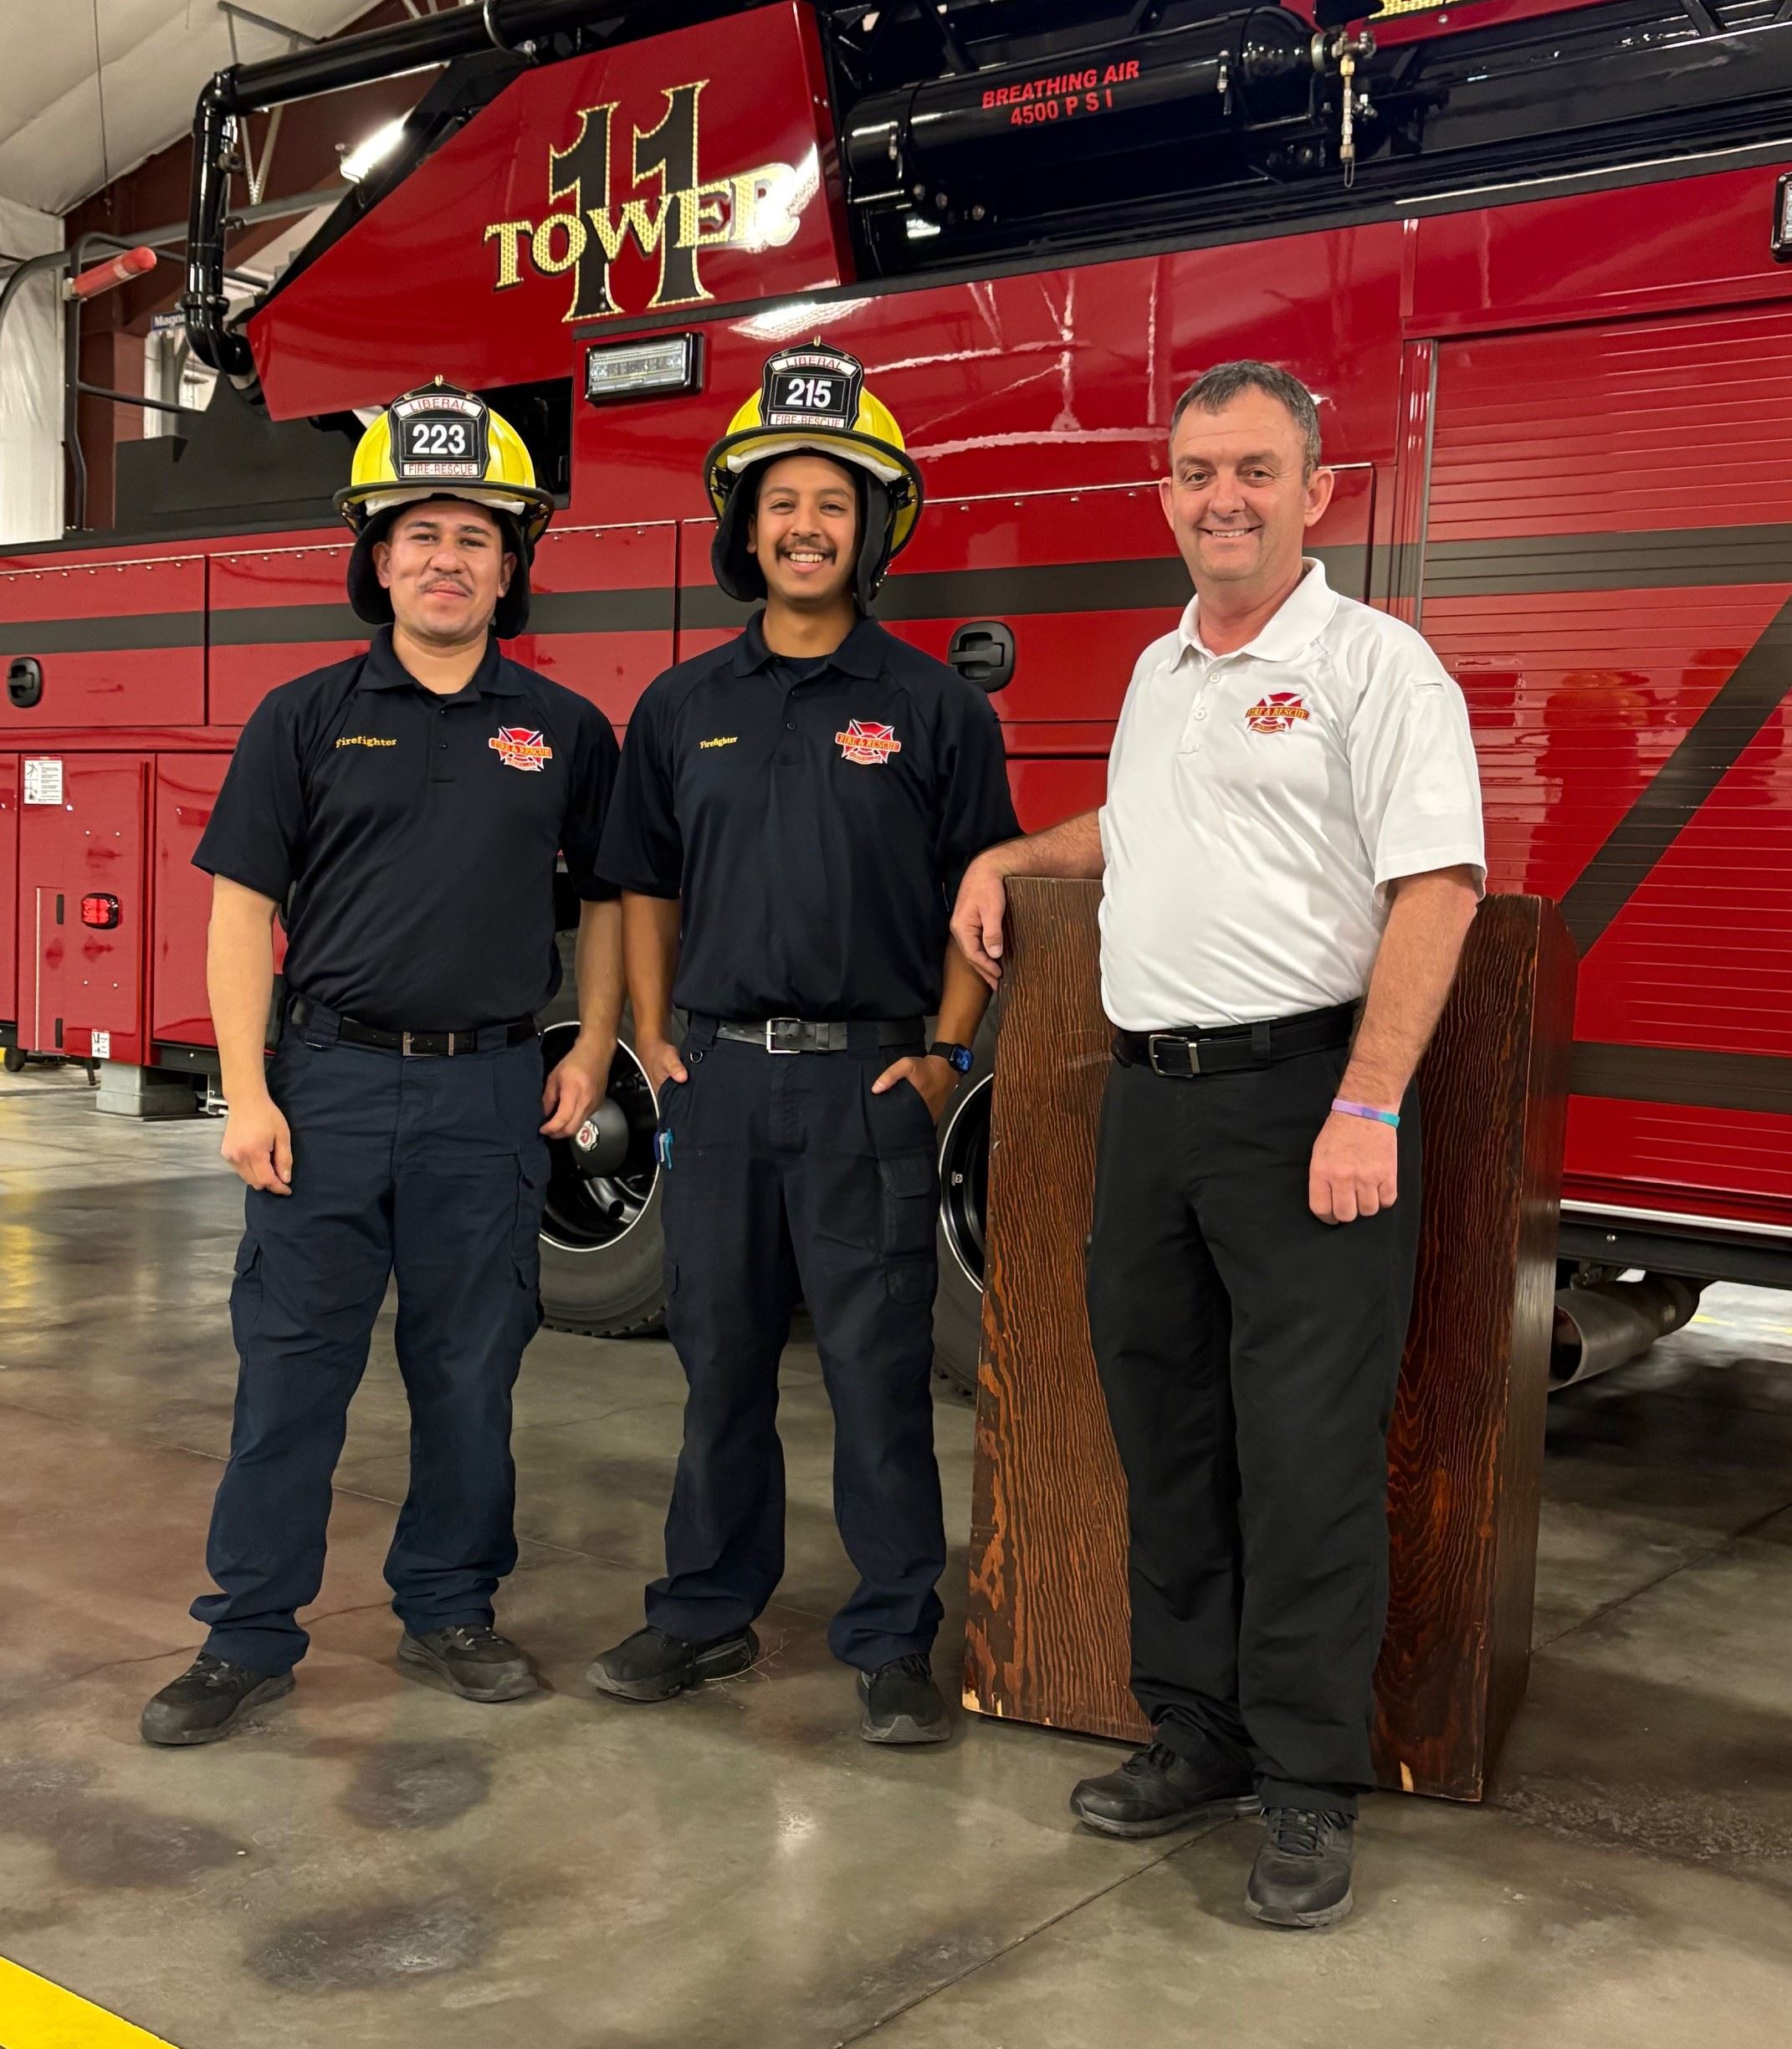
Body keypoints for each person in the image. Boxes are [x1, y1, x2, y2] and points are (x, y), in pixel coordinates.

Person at [951, 361, 1484, 1925]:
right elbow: (1142, 826)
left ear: (1317, 493)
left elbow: (1436, 885)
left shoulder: (1377, 666)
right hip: (1151, 1103)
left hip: (1302, 1102)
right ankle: (1195, 1732)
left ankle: (1309, 1787)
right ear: (1166, 492)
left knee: (1308, 1458)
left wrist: (1370, 1101)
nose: (1222, 497)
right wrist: (1008, 849)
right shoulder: (1160, 668)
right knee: (1166, 1431)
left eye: (1255, 469)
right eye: (1195, 471)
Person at [140, 382, 622, 1746]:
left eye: (474, 533)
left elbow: (606, 906)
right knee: (291, 1368)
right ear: (375, 553)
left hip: (488, 1091)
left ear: (510, 560)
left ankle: (452, 1605)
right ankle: (246, 1635)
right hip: (330, 1085)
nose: (445, 557)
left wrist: (590, 1043)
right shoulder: (299, 717)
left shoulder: (565, 729)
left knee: (472, 1369)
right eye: (418, 532)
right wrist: (249, 1089)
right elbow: (241, 911)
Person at [587, 343, 1019, 1743]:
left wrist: (947, 1054)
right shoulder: (679, 709)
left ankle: (895, 1635)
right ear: (742, 522)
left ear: (872, 526)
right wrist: (654, 1038)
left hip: (867, 1084)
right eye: (782, 499)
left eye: (834, 500)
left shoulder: (937, 710)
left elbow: (983, 890)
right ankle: (704, 1608)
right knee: (716, 1361)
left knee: (877, 1374)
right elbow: (639, 883)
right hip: (715, 1085)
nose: (805, 524)